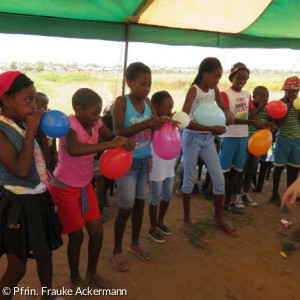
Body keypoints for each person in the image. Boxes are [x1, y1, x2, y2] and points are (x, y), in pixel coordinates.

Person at [48, 88, 134, 289]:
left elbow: (112, 138)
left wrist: (125, 143)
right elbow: (74, 149)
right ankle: (76, 278)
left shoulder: (96, 124)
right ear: (78, 110)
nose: (98, 117)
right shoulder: (69, 124)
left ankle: (92, 273)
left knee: (97, 233)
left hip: (84, 186)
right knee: (76, 237)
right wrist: (109, 146)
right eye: (94, 112)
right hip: (65, 187)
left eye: (99, 112)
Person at [0, 71, 63, 300]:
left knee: (45, 255)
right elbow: (20, 170)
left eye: (35, 101)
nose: (34, 107)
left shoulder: (22, 123)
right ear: (7, 101)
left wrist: (40, 134)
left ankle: (47, 296)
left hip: (39, 199)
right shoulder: (2, 130)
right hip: (18, 205)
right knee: (17, 267)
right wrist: (31, 133)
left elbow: (44, 162)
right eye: (28, 101)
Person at [111, 62, 165, 271]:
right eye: (142, 84)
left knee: (140, 203)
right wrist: (148, 124)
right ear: (130, 82)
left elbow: (155, 121)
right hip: (127, 163)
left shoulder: (148, 102)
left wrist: (164, 121)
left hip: (144, 161)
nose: (146, 89)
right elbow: (117, 130)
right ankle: (116, 250)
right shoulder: (121, 102)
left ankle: (134, 243)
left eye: (149, 84)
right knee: (126, 207)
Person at [181, 57, 238, 237]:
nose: (217, 80)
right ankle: (186, 220)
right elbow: (184, 122)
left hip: (207, 140)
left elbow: (223, 108)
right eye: (215, 76)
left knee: (218, 178)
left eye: (219, 77)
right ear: (204, 73)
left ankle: (218, 219)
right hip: (192, 138)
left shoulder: (214, 90)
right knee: (189, 178)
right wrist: (210, 128)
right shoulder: (194, 91)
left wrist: (227, 113)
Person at [219, 62, 266, 213]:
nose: (242, 81)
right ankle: (220, 202)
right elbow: (231, 119)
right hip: (229, 137)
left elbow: (253, 114)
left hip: (243, 138)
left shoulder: (247, 95)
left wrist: (263, 124)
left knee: (238, 171)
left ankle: (231, 200)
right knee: (225, 172)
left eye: (245, 78)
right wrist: (252, 122)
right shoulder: (225, 94)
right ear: (232, 77)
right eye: (239, 77)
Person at [148, 91, 176, 243]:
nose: (170, 111)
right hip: (157, 167)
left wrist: (171, 121)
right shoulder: (154, 123)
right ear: (157, 107)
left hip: (169, 165)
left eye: (172, 108)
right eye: (167, 108)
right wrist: (164, 120)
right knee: (155, 197)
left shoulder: (170, 122)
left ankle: (160, 221)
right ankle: (152, 227)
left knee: (167, 195)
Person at [269, 76, 300, 206]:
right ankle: (274, 193)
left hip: (297, 140)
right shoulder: (280, 104)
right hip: (283, 140)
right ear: (285, 91)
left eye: (295, 91)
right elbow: (279, 124)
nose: (292, 94)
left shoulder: (299, 105)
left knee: (294, 169)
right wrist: (289, 106)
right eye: (290, 91)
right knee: (279, 168)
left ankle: (291, 192)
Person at [242, 86, 274, 205]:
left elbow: (270, 123)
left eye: (267, 96)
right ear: (254, 97)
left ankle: (246, 193)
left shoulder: (268, 110)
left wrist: (270, 124)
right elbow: (250, 119)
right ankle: (238, 193)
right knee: (242, 170)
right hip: (245, 143)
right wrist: (259, 107)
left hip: (258, 145)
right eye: (262, 96)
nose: (265, 99)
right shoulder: (250, 108)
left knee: (251, 170)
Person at [35, 92, 57, 173]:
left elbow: (54, 139)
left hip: (51, 155)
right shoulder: (34, 125)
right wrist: (42, 136)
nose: (46, 107)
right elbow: (45, 158)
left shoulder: (48, 122)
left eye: (46, 104)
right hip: (42, 161)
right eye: (43, 104)